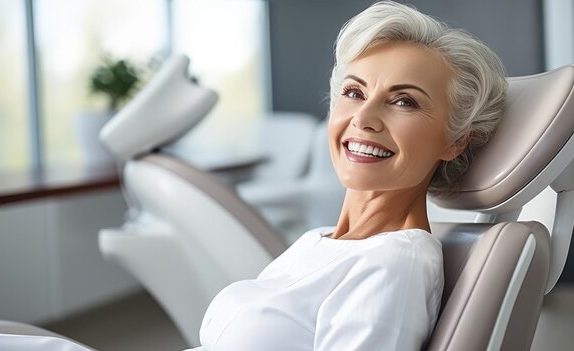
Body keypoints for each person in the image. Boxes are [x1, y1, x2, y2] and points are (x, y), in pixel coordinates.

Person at [187, 1, 507, 350]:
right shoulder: (319, 240)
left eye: (404, 102)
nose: (364, 117)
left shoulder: (394, 265)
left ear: (456, 141)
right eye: (354, 93)